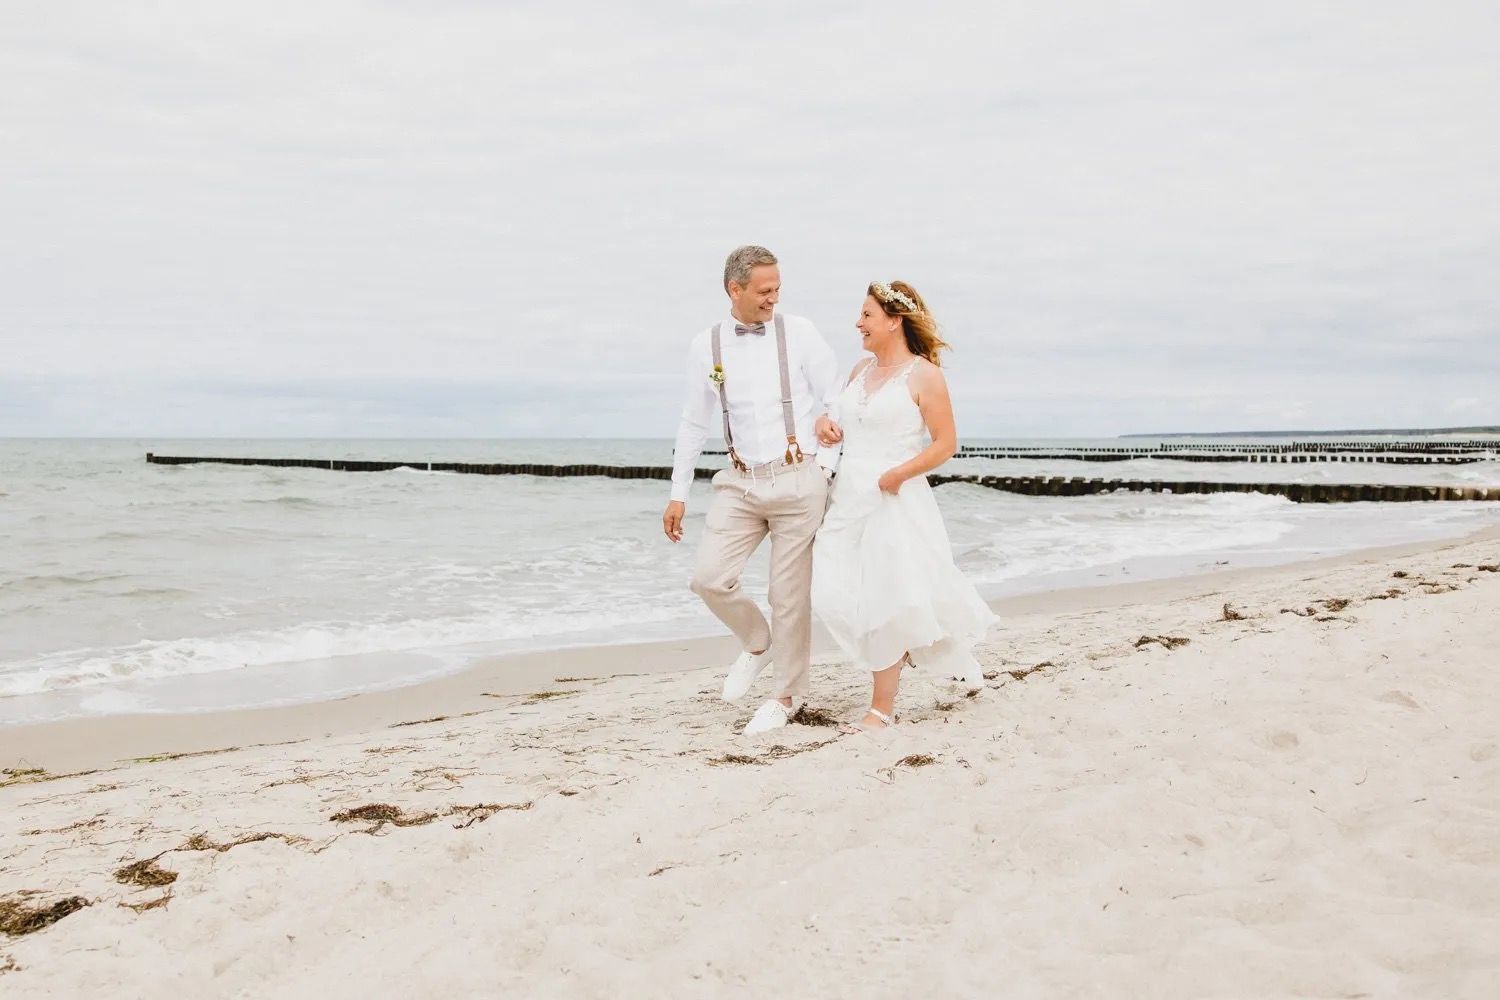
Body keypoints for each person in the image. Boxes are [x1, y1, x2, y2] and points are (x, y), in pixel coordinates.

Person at [662, 245, 841, 735]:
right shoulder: (706, 346)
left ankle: (787, 696)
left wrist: (824, 467)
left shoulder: (799, 332)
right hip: (738, 484)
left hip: (798, 477)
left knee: (789, 596)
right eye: (765, 291)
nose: (773, 299)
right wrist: (679, 492)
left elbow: (835, 397)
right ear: (734, 289)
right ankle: (757, 642)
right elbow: (693, 422)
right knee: (709, 578)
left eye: (778, 289)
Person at [812, 280, 995, 734]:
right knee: (831, 592)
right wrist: (824, 425)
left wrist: (901, 473)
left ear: (894, 321)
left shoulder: (924, 375)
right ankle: (908, 648)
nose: (859, 323)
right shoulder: (858, 371)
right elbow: (835, 420)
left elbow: (947, 443)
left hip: (893, 498)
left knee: (885, 600)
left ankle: (880, 709)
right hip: (847, 497)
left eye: (867, 315)